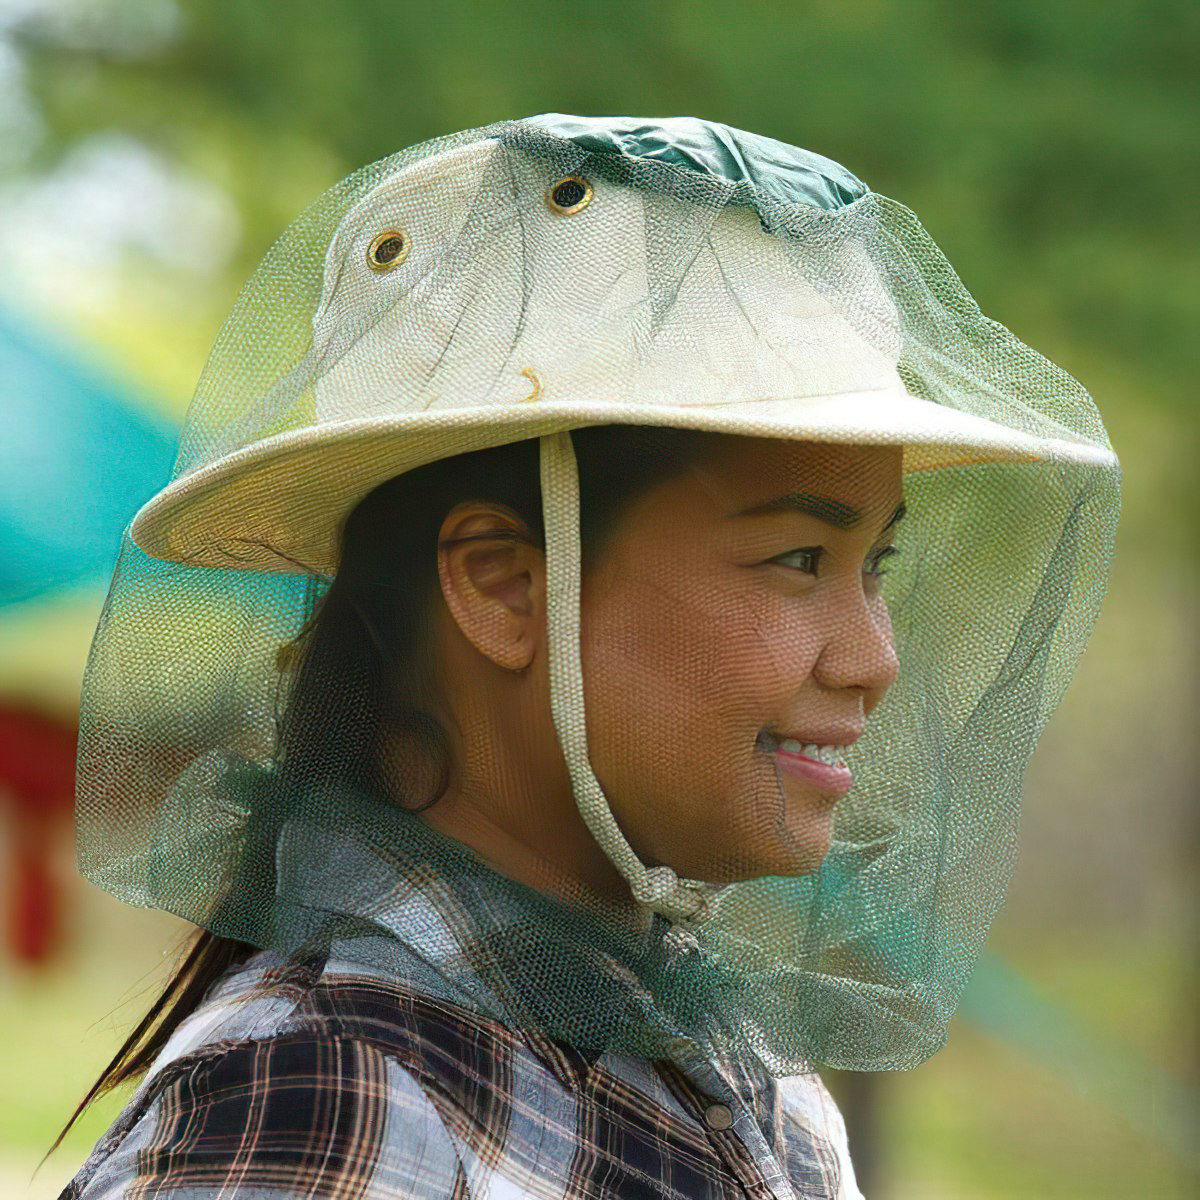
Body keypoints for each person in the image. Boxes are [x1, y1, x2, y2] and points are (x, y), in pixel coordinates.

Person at [51, 114, 1120, 1199]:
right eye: (799, 558)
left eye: (873, 567)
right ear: (503, 585)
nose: (872, 658)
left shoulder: (763, 1093)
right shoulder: (330, 1099)